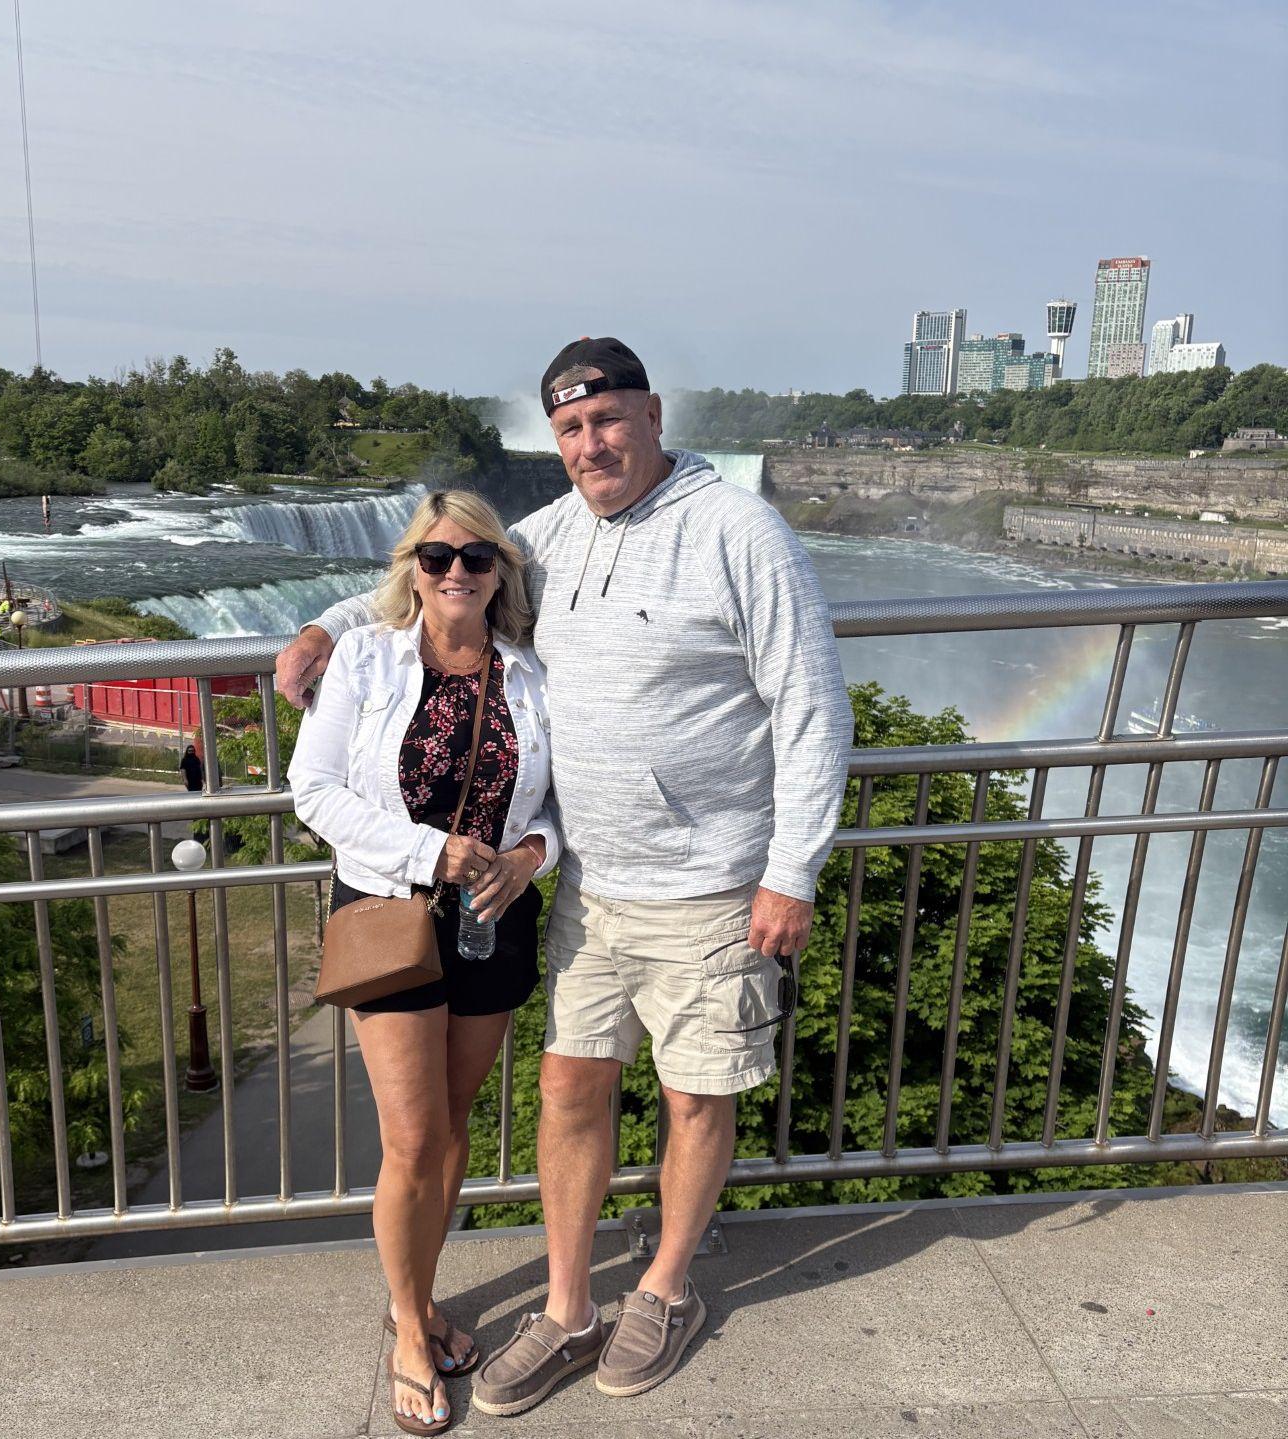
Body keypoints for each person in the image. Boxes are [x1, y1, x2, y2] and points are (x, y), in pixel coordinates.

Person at [277, 337, 852, 1416]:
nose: (592, 443)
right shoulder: (546, 535)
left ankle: (667, 1287)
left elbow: (813, 704)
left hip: (711, 882)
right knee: (568, 1092)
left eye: (609, 419)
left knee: (695, 1093)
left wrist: (792, 869)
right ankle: (566, 1304)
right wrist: (326, 623)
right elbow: (432, 574)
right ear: (558, 440)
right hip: (583, 885)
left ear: (652, 414)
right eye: (572, 429)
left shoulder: (740, 531)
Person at [287, 489, 558, 1436]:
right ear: (411, 568)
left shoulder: (530, 675)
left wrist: (530, 858)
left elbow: (553, 809)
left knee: (450, 1129)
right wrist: (426, 851)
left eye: (475, 559)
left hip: (492, 917)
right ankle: (410, 1325)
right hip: (388, 910)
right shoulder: (364, 657)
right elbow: (310, 790)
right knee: (410, 1139)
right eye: (436, 558)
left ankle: (424, 1293)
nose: (455, 573)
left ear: (499, 574)